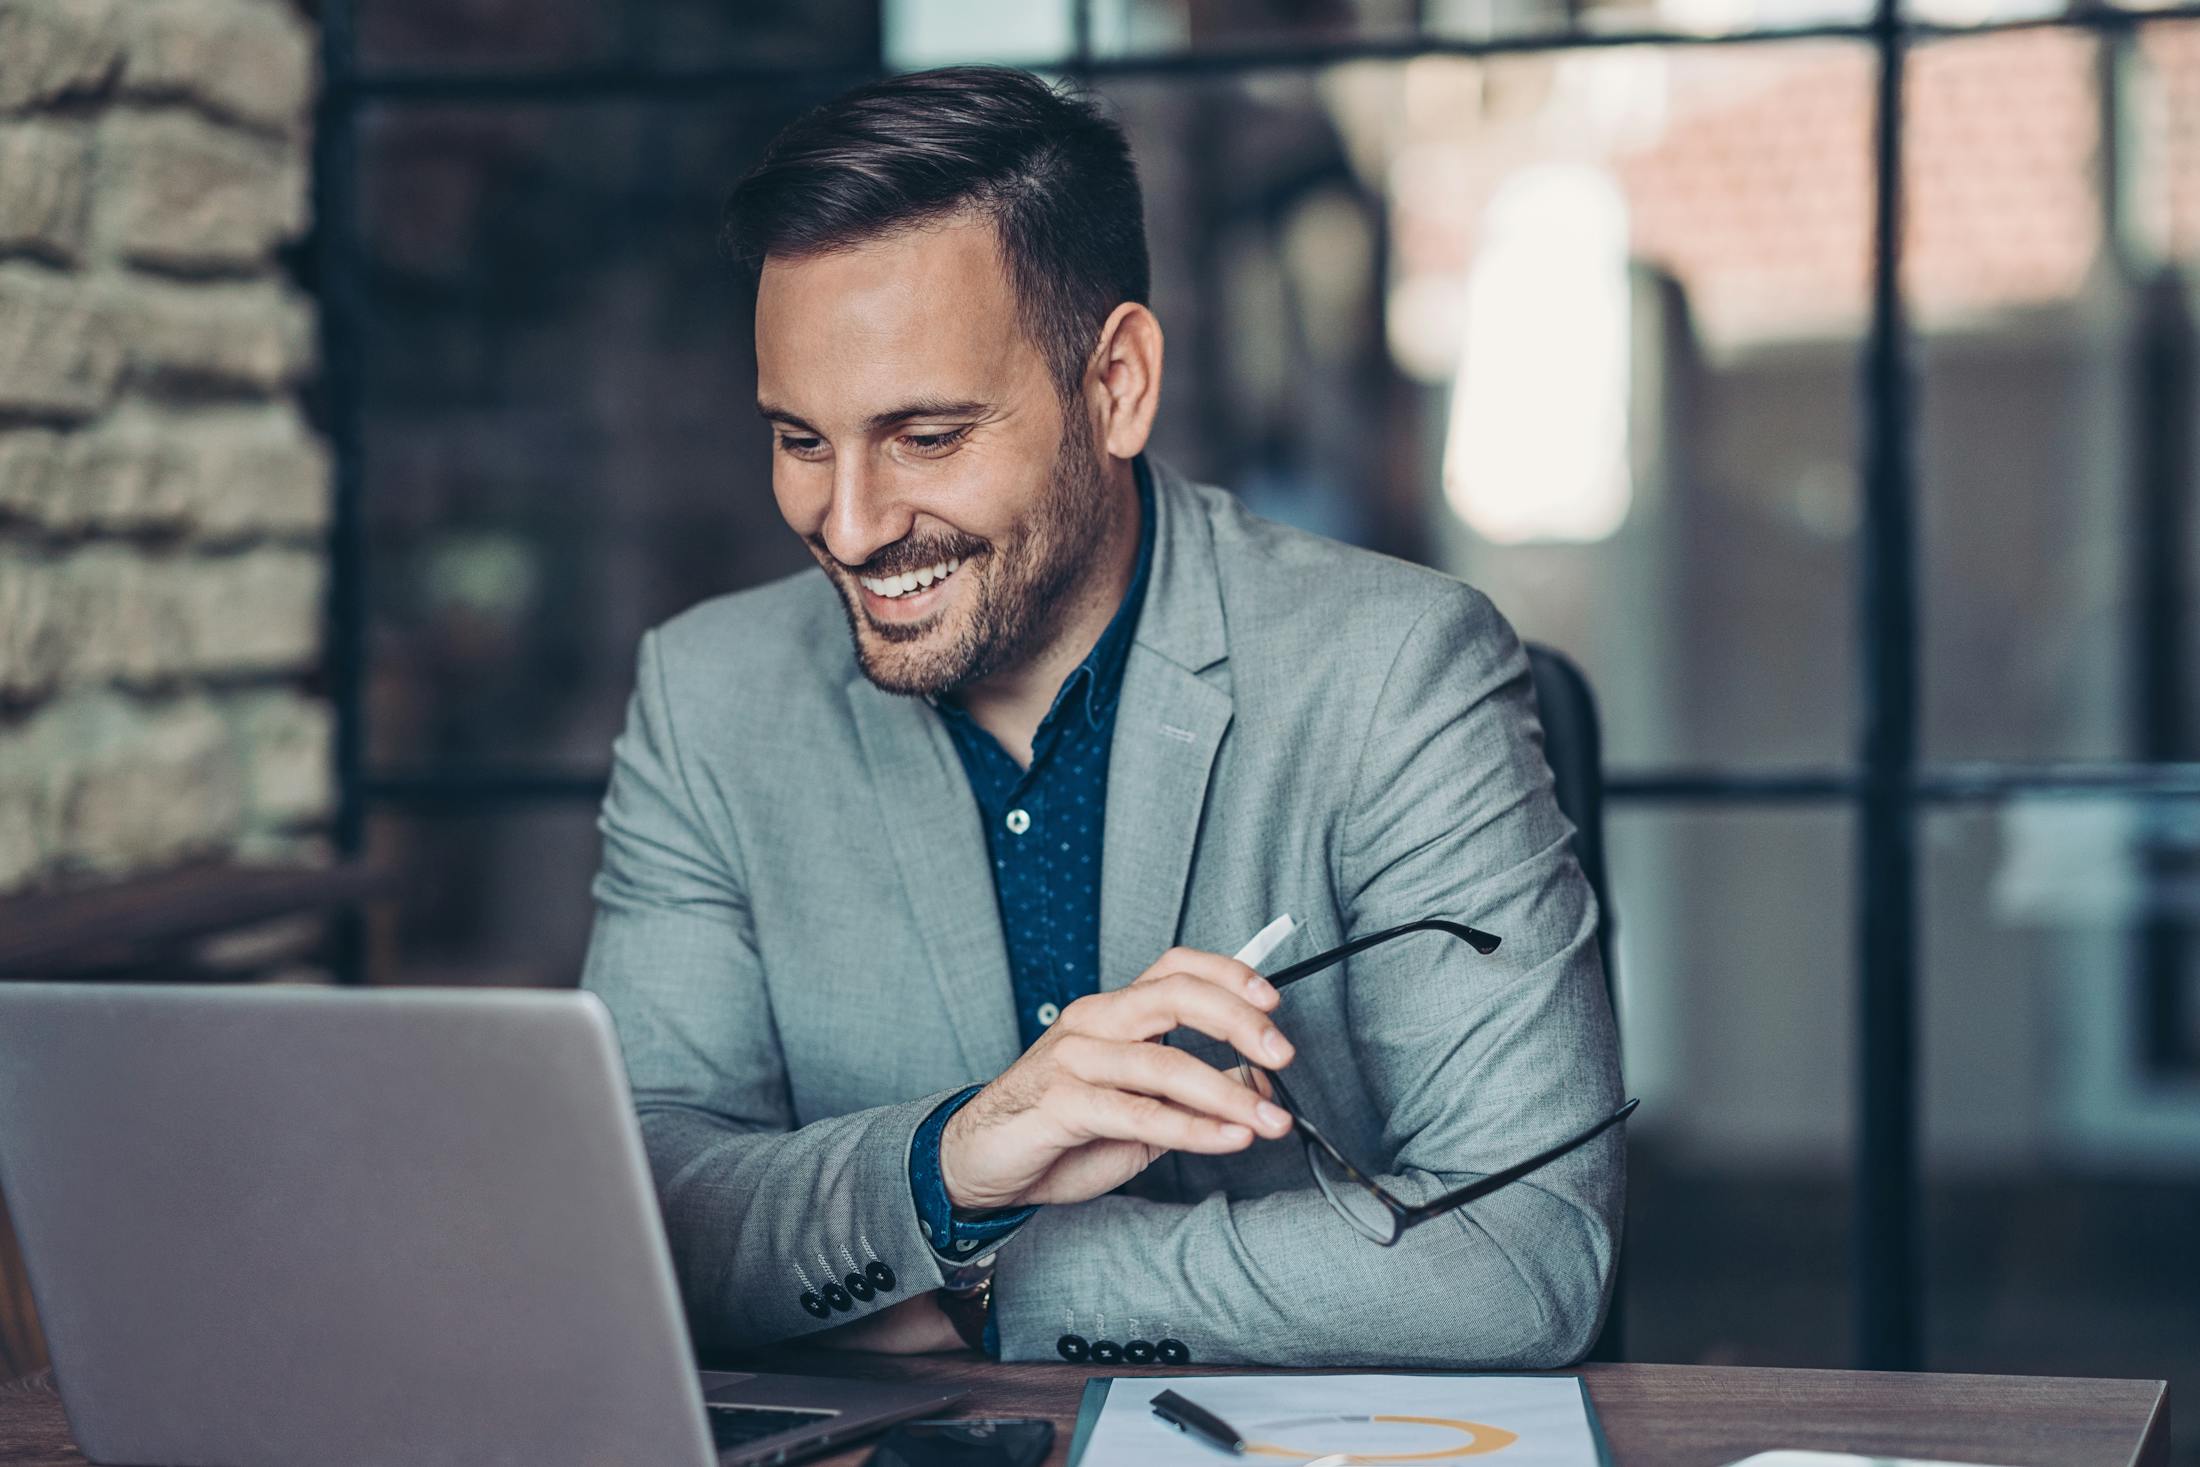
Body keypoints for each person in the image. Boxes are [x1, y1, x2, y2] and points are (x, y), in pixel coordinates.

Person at [578, 64, 1623, 1368]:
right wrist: (950, 1163)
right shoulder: (708, 698)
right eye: (801, 439)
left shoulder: (1394, 670)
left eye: (926, 437)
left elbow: (1525, 1251)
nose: (845, 526)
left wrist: (995, 1280)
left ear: (1117, 383)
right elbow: (634, 1215)